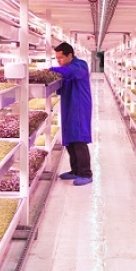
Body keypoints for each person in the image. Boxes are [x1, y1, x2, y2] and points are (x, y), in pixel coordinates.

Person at [49, 42, 93, 185]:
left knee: (79, 138)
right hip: (68, 106)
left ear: (70, 55)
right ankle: (75, 170)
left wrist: (49, 71)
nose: (59, 61)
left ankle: (86, 173)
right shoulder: (66, 67)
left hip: (79, 106)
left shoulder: (80, 65)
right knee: (69, 138)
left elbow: (71, 73)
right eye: (56, 59)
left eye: (60, 58)